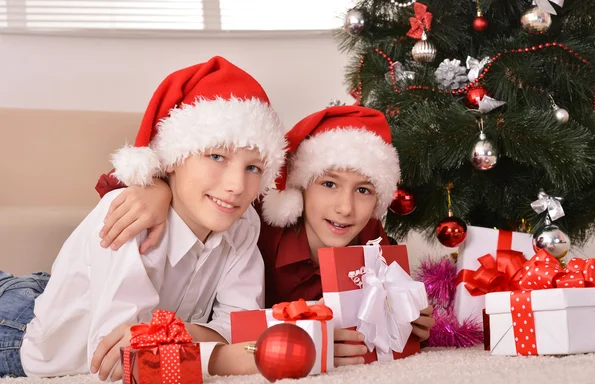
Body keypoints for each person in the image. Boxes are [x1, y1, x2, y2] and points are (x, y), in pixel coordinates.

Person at [0, 56, 287, 380]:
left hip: (58, 295)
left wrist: (175, 334)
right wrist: (221, 358)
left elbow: (238, 329)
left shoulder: (244, 222)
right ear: (173, 158)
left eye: (253, 167)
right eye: (217, 156)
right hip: (17, 331)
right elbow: (121, 361)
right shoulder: (131, 216)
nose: (237, 186)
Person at [95, 106, 434, 368]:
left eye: (363, 190)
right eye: (328, 184)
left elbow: (391, 316)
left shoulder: (372, 241)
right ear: (298, 188)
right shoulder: (256, 218)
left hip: (198, 327)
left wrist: (410, 316)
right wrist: (157, 187)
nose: (345, 208)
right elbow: (188, 193)